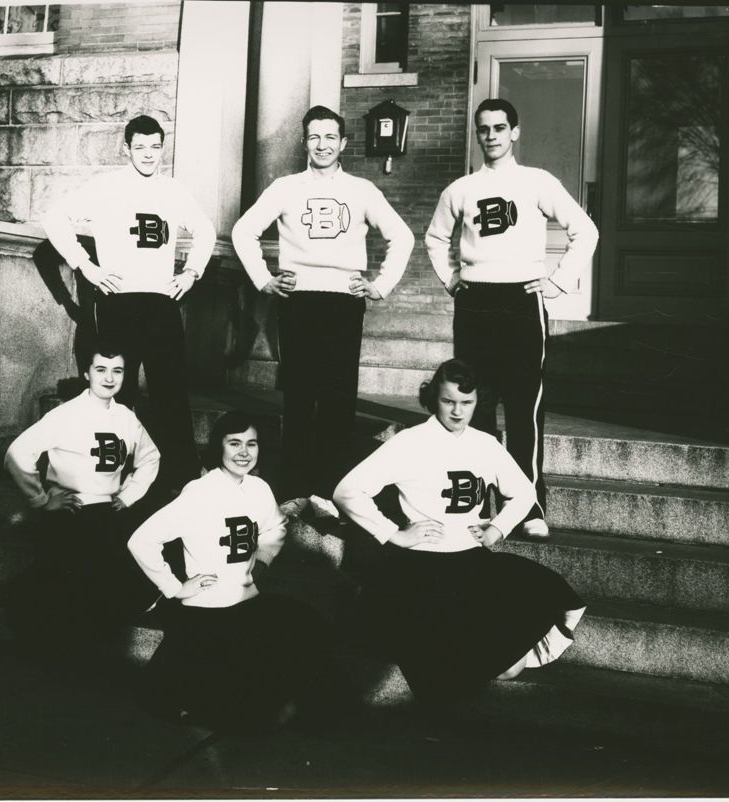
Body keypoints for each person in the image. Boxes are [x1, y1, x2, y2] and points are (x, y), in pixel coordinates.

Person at [333, 358, 585, 703]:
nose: (457, 412)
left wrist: (497, 528)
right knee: (444, 666)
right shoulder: (409, 442)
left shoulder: (485, 444)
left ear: (477, 401)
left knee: (521, 643)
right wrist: (394, 533)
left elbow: (524, 491)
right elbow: (347, 491)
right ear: (432, 397)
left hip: (471, 562)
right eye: (448, 401)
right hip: (422, 568)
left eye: (466, 403)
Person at [425, 98, 599, 538]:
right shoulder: (460, 189)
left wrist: (558, 282)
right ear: (477, 134)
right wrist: (451, 280)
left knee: (524, 407)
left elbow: (586, 230)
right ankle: (482, 502)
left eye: (500, 128)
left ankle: (530, 506)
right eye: (484, 129)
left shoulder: (537, 181)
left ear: (515, 132)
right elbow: (434, 237)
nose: (492, 136)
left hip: (521, 302)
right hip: (475, 303)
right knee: (475, 406)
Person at [232, 105, 414, 504]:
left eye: (330, 137)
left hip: (343, 302)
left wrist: (380, 285)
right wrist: (264, 279)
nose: (322, 144)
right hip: (298, 301)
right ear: (303, 142)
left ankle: (333, 492)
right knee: (299, 397)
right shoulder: (285, 187)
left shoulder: (362, 190)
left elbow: (403, 237)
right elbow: (243, 230)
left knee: (338, 400)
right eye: (314, 136)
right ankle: (295, 490)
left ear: (343, 142)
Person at [42, 114, 217, 496]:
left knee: (170, 390)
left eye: (155, 147)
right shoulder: (105, 187)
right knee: (117, 393)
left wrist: (191, 273)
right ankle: (113, 476)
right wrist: (85, 267)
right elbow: (53, 219)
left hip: (161, 303)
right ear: (126, 149)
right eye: (140, 147)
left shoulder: (173, 190)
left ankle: (181, 476)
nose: (149, 155)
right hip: (118, 303)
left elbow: (206, 230)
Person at [127, 411, 330, 731]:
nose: (244, 452)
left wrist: (262, 561)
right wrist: (176, 587)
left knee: (307, 627)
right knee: (218, 704)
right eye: (234, 443)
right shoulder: (199, 492)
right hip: (208, 611)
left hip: (246, 603)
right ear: (217, 447)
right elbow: (142, 540)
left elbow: (275, 528)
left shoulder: (260, 488)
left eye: (252, 443)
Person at [3, 346, 161, 665]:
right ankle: (58, 658)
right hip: (71, 512)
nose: (109, 377)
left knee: (109, 584)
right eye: (101, 369)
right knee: (71, 585)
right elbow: (17, 453)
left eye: (117, 371)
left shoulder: (126, 418)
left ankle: (88, 658)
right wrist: (42, 498)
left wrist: (128, 494)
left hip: (108, 512)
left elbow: (150, 458)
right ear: (87, 373)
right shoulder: (66, 414)